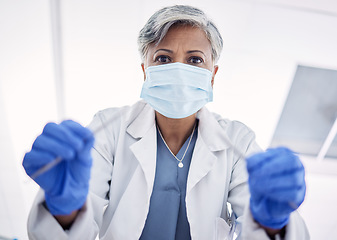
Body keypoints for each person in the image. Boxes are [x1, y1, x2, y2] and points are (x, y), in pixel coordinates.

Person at [23, 5, 309, 240]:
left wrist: (275, 221)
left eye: (195, 60)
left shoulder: (237, 140)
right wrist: (64, 208)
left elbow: (262, 229)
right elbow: (67, 229)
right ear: (145, 70)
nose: (179, 71)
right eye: (163, 58)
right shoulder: (110, 128)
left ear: (213, 74)